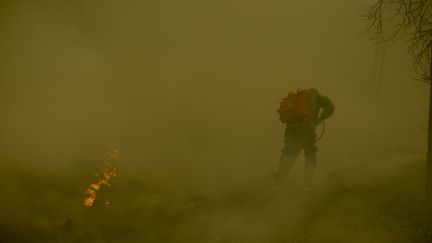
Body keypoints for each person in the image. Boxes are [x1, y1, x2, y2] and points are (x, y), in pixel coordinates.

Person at [275, 88, 334, 188]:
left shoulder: (296, 99)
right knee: (310, 156)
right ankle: (308, 185)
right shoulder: (317, 97)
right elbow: (330, 107)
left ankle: (278, 184)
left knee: (288, 155)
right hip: (306, 130)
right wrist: (320, 118)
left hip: (291, 130)